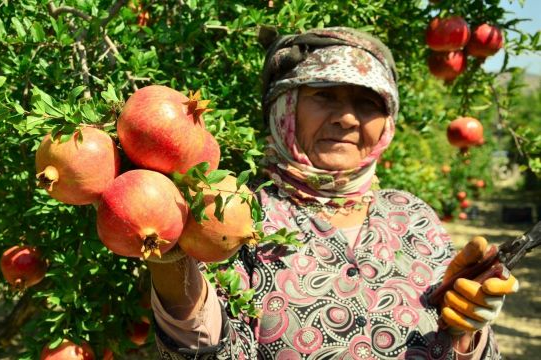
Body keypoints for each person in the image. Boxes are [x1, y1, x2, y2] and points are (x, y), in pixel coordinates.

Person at [146, 27, 519, 359]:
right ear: (285, 107)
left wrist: (468, 331)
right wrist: (173, 265)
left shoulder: (413, 215)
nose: (348, 118)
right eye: (325, 95)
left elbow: (464, 345)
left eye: (368, 103)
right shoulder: (235, 211)